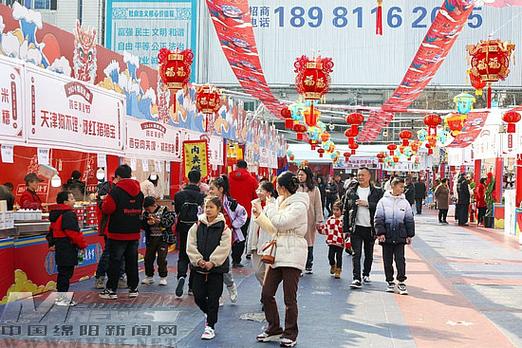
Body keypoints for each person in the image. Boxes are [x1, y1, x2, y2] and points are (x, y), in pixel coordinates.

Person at [252, 171, 309, 348]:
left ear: (282, 188)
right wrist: (260, 215)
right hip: (278, 251)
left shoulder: (299, 204)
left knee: (289, 297)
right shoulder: (278, 202)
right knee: (267, 293)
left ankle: (291, 333)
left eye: (277, 185)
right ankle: (274, 327)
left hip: (293, 252)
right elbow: (273, 227)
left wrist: (267, 209)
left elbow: (281, 222)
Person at [187, 196, 232, 340]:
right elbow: (191, 244)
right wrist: (198, 260)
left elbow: (224, 247)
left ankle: (210, 326)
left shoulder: (224, 228)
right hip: (199, 269)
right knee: (198, 296)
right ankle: (209, 313)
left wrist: (212, 262)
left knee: (213, 298)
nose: (208, 210)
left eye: (211, 207)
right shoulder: (197, 225)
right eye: (206, 206)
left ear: (218, 209)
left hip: (216, 271)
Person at [99, 164, 144, 300]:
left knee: (115, 261)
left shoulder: (115, 192)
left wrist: (102, 202)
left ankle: (111, 290)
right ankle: (133, 288)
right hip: (134, 231)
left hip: (117, 232)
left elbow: (107, 209)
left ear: (118, 177)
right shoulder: (139, 192)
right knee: (132, 261)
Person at [209, 175, 247, 304]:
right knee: (212, 268)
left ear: (220, 189)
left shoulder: (231, 203)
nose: (209, 191)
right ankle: (216, 296)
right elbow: (200, 216)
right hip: (209, 238)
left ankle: (230, 286)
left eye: (212, 188)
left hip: (225, 240)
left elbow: (243, 214)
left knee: (224, 268)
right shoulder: (206, 203)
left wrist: (233, 226)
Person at [343, 167, 383, 289]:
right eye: (359, 175)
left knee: (369, 253)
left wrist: (368, 204)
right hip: (356, 227)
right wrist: (345, 229)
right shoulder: (351, 191)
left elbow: (381, 208)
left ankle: (366, 273)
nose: (360, 177)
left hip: (370, 227)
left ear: (369, 176)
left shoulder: (377, 191)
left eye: (363, 175)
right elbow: (345, 210)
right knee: (356, 253)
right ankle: (356, 278)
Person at [374, 177, 415, 295]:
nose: (403, 189)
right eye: (401, 186)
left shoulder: (405, 202)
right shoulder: (383, 201)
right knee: (387, 260)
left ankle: (401, 282)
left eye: (403, 187)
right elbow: (378, 218)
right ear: (393, 186)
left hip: (400, 236)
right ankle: (390, 281)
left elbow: (409, 219)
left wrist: (409, 235)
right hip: (386, 236)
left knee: (400, 260)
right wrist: (380, 233)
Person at [46, 191, 87, 306]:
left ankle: (61, 296)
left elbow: (51, 231)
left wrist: (52, 243)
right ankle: (62, 298)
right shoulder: (68, 215)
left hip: (60, 246)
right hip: (67, 246)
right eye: (72, 198)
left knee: (63, 272)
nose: (74, 201)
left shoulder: (56, 214)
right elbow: (73, 233)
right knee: (66, 273)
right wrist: (82, 245)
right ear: (65, 202)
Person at [174, 169, 205, 297]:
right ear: (199, 180)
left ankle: (181, 276)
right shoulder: (202, 196)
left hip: (183, 227)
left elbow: (177, 212)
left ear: (188, 178)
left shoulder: (179, 195)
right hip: (197, 228)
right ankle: (192, 287)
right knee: (196, 255)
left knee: (183, 253)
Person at [94, 178, 126, 289]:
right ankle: (100, 277)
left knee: (120, 254)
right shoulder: (108, 188)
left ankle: (119, 277)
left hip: (119, 227)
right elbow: (104, 207)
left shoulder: (120, 189)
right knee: (108, 253)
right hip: (110, 227)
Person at [246, 181, 277, 290]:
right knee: (258, 272)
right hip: (256, 242)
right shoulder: (254, 204)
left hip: (268, 243)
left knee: (269, 272)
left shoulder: (275, 205)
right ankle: (266, 291)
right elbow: (252, 226)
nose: (258, 192)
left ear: (268, 192)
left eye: (261, 190)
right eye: (258, 190)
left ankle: (267, 295)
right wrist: (249, 244)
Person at [228, 160, 258, 267]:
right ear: (246, 168)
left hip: (229, 212)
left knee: (227, 234)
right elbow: (256, 197)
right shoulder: (252, 180)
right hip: (244, 213)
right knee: (241, 234)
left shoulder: (228, 178)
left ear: (236, 167)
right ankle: (236, 259)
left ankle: (226, 257)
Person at [141, 196, 176, 286]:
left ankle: (163, 277)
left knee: (161, 258)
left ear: (154, 205)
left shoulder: (165, 210)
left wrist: (159, 222)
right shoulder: (145, 213)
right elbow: (141, 224)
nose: (148, 211)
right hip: (151, 238)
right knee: (148, 258)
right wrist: (147, 223)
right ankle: (149, 276)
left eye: (149, 209)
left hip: (163, 238)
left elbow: (170, 222)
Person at [297, 167, 323, 274]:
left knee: (309, 241)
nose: (300, 177)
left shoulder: (314, 189)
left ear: (307, 175)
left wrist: (319, 220)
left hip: (310, 219)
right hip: (297, 219)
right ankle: (299, 264)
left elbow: (318, 205)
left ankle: (308, 263)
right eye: (299, 175)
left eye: (302, 175)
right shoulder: (295, 188)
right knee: (298, 241)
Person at [319, 200, 344, 279]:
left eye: (337, 210)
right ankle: (333, 265)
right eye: (334, 210)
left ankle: (338, 270)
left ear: (341, 211)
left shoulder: (343, 220)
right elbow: (326, 229)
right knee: (330, 256)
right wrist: (320, 229)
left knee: (339, 257)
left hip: (340, 242)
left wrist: (348, 242)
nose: (335, 212)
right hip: (331, 242)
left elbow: (346, 232)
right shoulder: (330, 219)